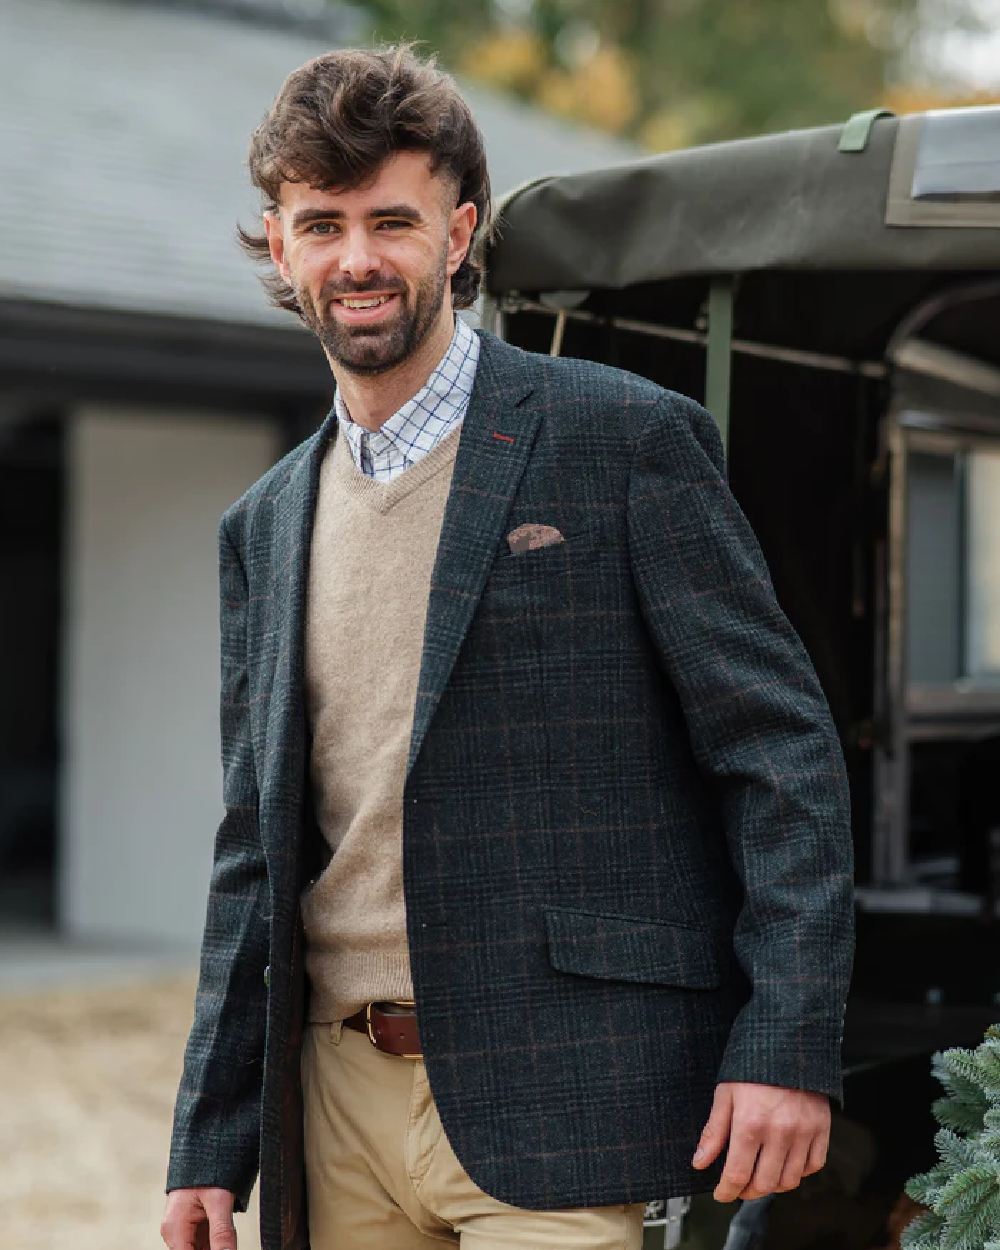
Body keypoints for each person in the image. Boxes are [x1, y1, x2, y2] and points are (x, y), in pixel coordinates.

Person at [161, 43, 854, 1250]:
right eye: (320, 224)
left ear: (460, 231)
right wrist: (208, 1147)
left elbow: (778, 754)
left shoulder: (623, 440)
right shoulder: (262, 526)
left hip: (563, 1091)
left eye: (393, 219)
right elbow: (252, 855)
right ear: (280, 245)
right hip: (332, 1108)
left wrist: (784, 1044)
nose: (358, 258)